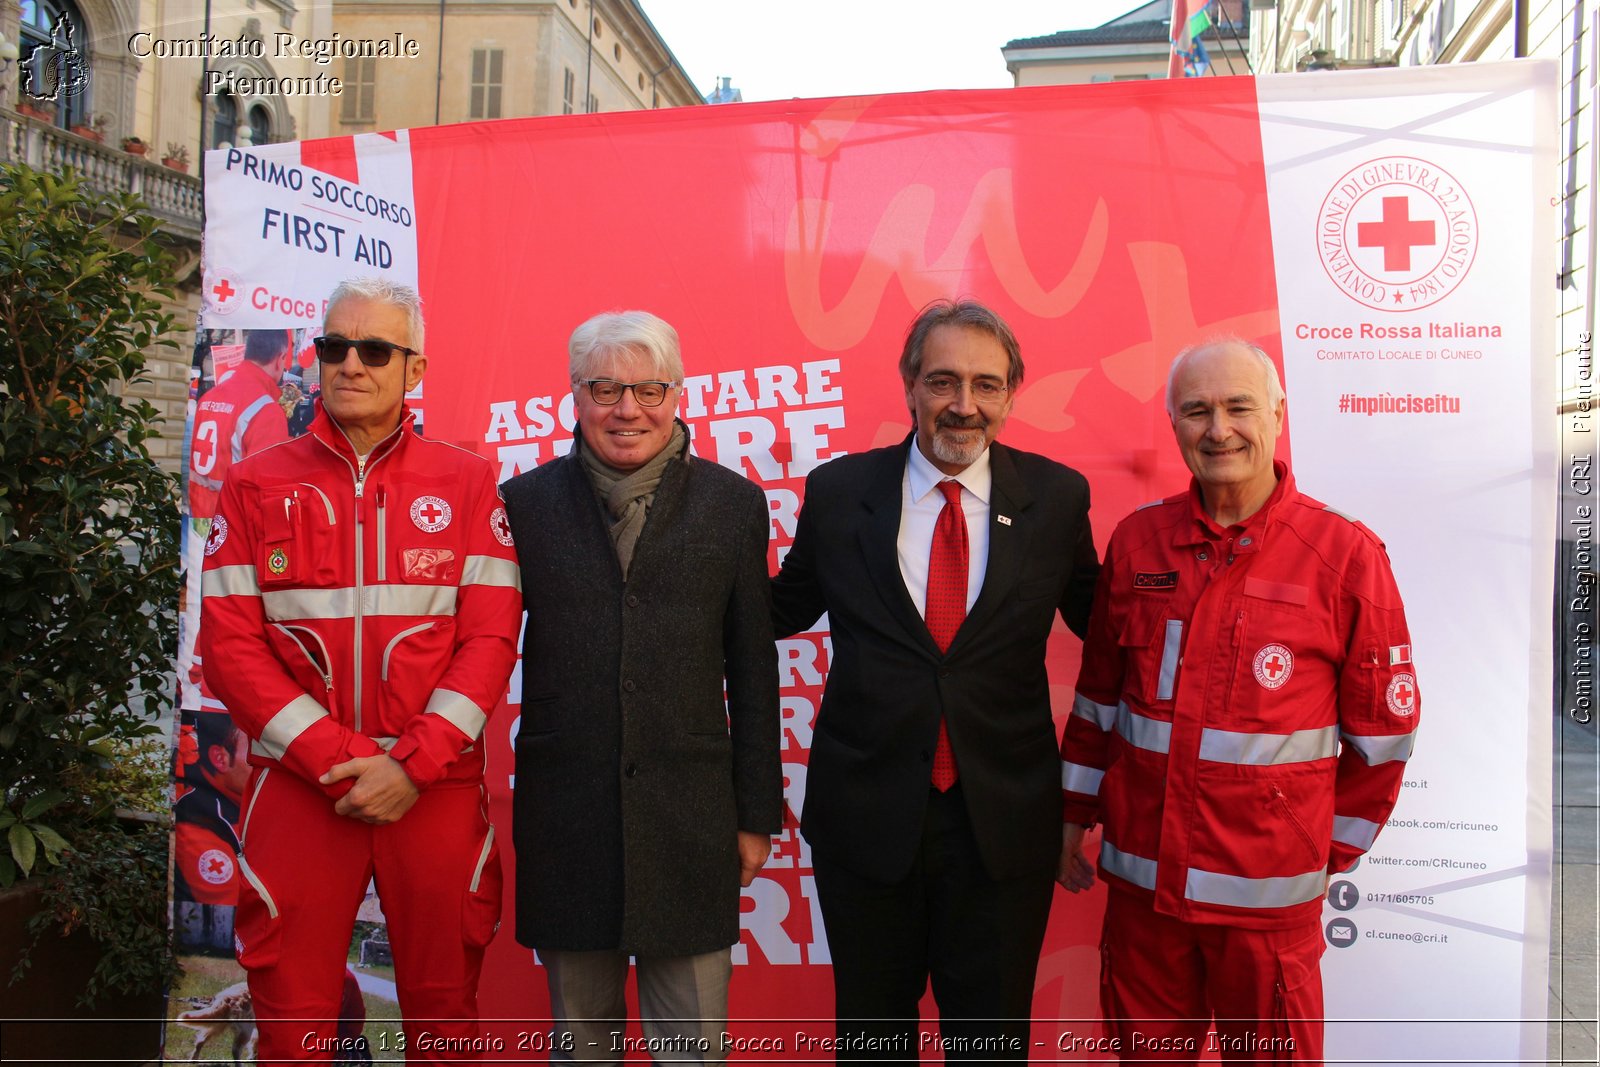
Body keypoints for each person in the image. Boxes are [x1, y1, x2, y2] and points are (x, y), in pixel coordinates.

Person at [1058, 338, 1421, 1063]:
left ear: (1278, 415)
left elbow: (1384, 737)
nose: (1218, 428)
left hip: (1265, 913)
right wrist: (1072, 816)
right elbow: (1098, 700)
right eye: (1196, 411)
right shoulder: (1137, 543)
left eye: (1238, 407)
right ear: (1174, 425)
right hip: (1144, 897)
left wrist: (1325, 850)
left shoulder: (1345, 554)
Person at [199, 278, 522, 1062]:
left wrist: (411, 763)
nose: (350, 364)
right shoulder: (253, 484)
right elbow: (230, 649)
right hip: (304, 788)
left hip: (433, 786)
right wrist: (342, 760)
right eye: (334, 346)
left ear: (414, 370)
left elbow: (490, 640)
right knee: (292, 1027)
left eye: (374, 349)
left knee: (445, 1021)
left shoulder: (468, 481)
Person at [770, 298, 1099, 1059]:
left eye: (986, 384)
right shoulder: (838, 491)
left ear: (1013, 393)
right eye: (943, 380)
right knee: (872, 1039)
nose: (964, 404)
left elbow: (1111, 630)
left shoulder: (1056, 498)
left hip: (1003, 828)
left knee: (991, 1044)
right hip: (865, 822)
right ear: (909, 384)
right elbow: (778, 609)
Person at [501, 310, 781, 1065]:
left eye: (649, 388)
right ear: (575, 394)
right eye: (606, 388)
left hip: (692, 821)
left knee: (693, 1049)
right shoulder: (521, 505)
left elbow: (754, 667)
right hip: (568, 820)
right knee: (581, 1046)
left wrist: (756, 815)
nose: (628, 409)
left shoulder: (733, 504)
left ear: (679, 393)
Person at [188, 328, 293, 522]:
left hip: (199, 521)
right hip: (234, 529)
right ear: (281, 358)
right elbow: (267, 495)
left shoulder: (208, 398)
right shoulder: (265, 410)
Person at [173, 711, 251, 905]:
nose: (265, 761)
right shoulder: (197, 822)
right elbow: (230, 910)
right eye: (254, 750)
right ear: (220, 758)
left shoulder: (244, 803)